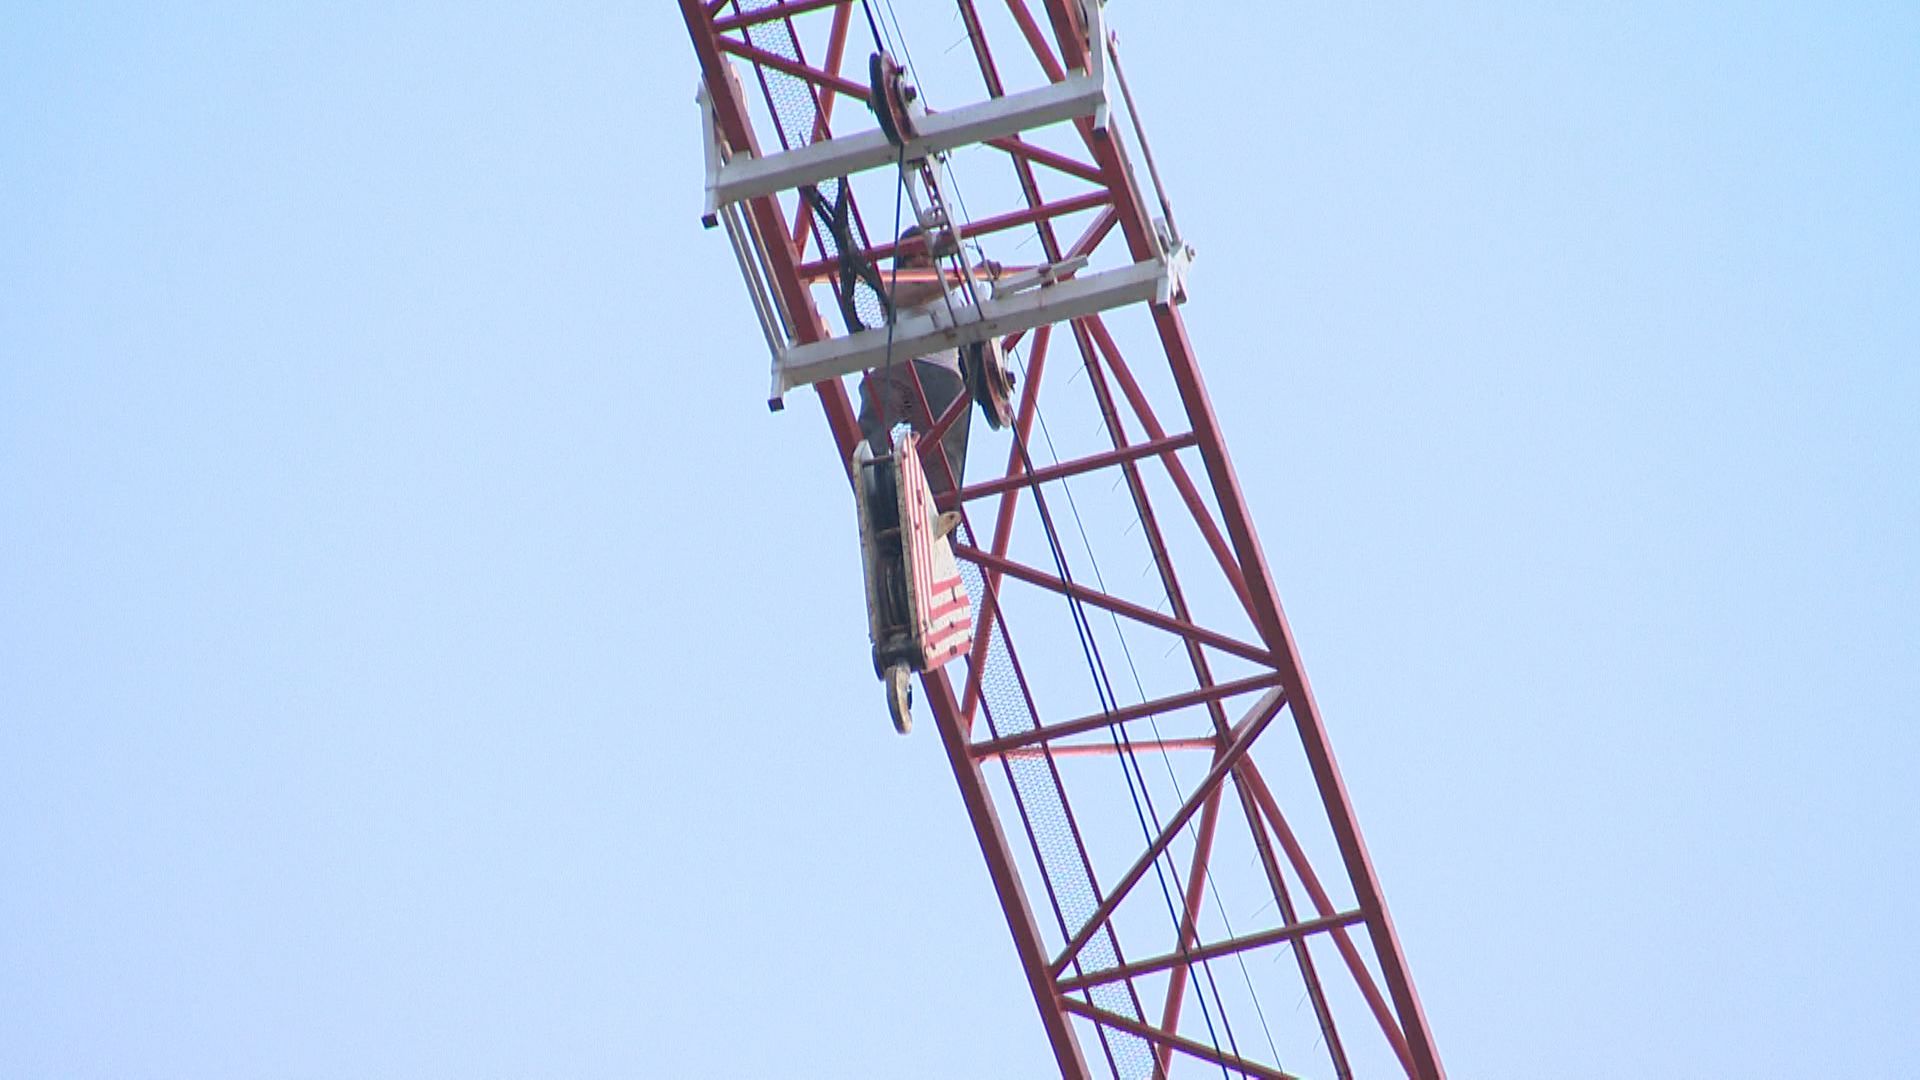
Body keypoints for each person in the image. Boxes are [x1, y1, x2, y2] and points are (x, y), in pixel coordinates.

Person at [856, 226, 997, 498]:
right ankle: (873, 470)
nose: (920, 261)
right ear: (902, 262)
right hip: (905, 369)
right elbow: (908, 297)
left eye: (926, 255)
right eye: (913, 256)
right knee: (879, 397)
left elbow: (982, 333)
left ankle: (938, 509)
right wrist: (963, 276)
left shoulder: (956, 298)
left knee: (944, 453)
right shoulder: (893, 285)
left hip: (944, 378)